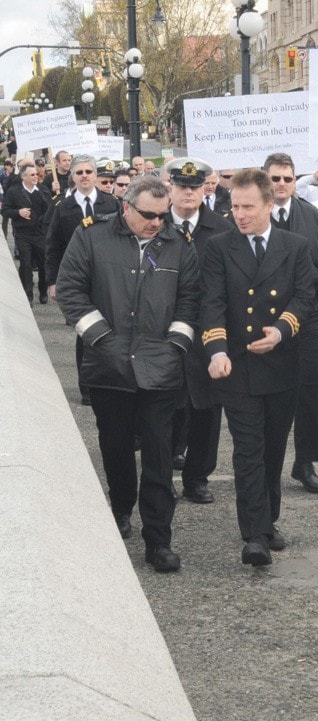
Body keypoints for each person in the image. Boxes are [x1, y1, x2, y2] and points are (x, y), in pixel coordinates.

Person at [55, 175, 199, 572]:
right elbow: (70, 290)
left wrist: (175, 347)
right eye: (148, 215)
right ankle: (120, 507)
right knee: (116, 447)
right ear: (126, 207)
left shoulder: (178, 246)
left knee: (158, 455)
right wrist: (104, 339)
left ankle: (159, 540)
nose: (156, 223)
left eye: (161, 215)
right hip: (109, 366)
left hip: (161, 369)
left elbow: (190, 301)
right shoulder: (92, 237)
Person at [200, 168, 317, 567]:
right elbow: (211, 301)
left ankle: (268, 520)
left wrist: (283, 330)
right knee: (248, 450)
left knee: (273, 448)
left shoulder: (295, 246)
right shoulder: (219, 247)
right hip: (237, 366)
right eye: (235, 206)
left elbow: (306, 296)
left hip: (281, 364)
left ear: (270, 204)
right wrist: (216, 350)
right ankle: (254, 535)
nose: (240, 214)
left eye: (249, 206)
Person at [166, 157, 234, 504]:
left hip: (208, 330)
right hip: (165, 331)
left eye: (194, 187)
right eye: (181, 186)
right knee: (166, 408)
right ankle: (163, 475)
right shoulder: (156, 224)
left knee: (207, 409)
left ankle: (198, 477)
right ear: (170, 188)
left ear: (205, 188)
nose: (188, 193)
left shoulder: (222, 227)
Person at [264, 152, 318, 494]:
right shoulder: (252, 216)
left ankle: (305, 462)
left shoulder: (312, 217)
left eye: (288, 178)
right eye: (275, 178)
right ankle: (266, 461)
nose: (281, 185)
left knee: (311, 390)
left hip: (310, 315)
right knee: (270, 392)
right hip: (265, 316)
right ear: (266, 180)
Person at [45, 154, 120, 404]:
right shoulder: (63, 208)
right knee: (84, 330)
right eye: (80, 173)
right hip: (77, 278)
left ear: (96, 176)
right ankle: (86, 387)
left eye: (89, 172)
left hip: (107, 275)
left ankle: (111, 379)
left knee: (110, 325)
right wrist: (52, 281)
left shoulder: (111, 204)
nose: (85, 176)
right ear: (72, 177)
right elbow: (53, 246)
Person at [1, 162, 52, 303]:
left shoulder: (42, 190)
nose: (36, 176)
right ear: (24, 176)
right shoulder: (14, 191)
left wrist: (54, 192)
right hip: (23, 234)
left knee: (43, 265)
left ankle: (43, 291)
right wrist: (18, 212)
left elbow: (50, 210)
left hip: (40, 234)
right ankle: (28, 296)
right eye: (32, 174)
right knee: (26, 264)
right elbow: (4, 210)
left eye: (36, 174)